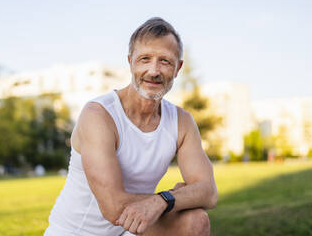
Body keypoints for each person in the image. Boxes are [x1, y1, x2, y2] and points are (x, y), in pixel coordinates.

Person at [44, 17, 218, 236]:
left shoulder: (181, 122)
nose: (154, 71)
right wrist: (175, 197)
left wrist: (164, 200)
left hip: (132, 230)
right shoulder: (99, 115)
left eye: (164, 61)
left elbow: (208, 192)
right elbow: (113, 206)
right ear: (130, 62)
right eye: (145, 59)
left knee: (196, 221)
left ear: (178, 68)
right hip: (77, 232)